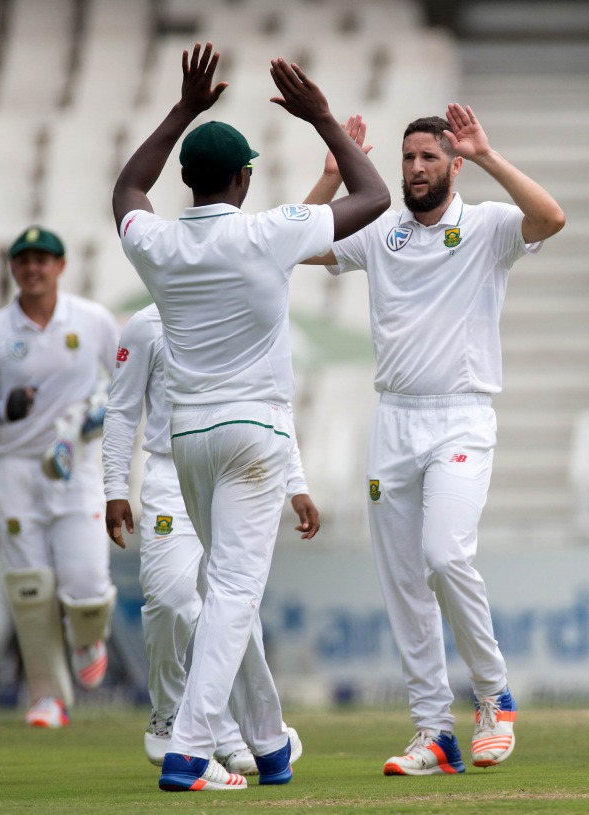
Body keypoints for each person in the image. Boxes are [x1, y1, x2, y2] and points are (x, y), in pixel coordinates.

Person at [112, 42, 389, 792]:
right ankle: (189, 750)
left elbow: (127, 188)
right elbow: (374, 197)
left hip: (187, 439)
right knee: (233, 594)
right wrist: (322, 118)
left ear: (186, 180)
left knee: (226, 590)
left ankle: (268, 745)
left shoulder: (158, 244)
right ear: (242, 179)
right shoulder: (269, 231)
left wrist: (182, 110)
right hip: (254, 437)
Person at [300, 105, 565, 775]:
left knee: (445, 557)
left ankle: (493, 696)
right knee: (403, 584)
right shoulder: (379, 230)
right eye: (408, 157)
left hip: (461, 417)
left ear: (453, 164)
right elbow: (296, 244)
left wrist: (488, 155)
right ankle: (433, 732)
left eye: (429, 157)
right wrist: (331, 176)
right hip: (393, 419)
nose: (416, 168)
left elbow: (551, 218)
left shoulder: (487, 226)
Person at [102, 302, 319, 776]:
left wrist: (296, 483)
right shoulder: (146, 325)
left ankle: (235, 734)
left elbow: (272, 401)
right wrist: (115, 487)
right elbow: (120, 409)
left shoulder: (241, 311)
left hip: (238, 467)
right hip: (170, 470)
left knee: (232, 605)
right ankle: (170, 712)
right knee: (171, 599)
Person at [0, 225, 119, 729]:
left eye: (42, 260)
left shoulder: (92, 321)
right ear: (12, 268)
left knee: (87, 583)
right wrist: (1, 409)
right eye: (23, 260)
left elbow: (129, 381)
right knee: (30, 588)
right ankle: (47, 696)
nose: (33, 268)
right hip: (16, 468)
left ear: (60, 266)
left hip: (76, 466)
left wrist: (100, 414)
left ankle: (87, 637)